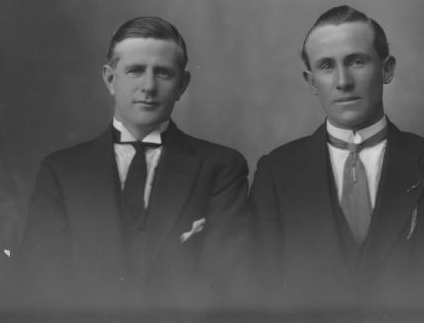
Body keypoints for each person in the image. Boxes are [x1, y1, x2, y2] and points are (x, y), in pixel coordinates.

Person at [249, 5, 424, 321]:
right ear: (311, 82)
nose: (343, 81)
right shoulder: (276, 172)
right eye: (327, 66)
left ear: (387, 69)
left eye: (356, 61)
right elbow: (255, 298)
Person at [16, 17, 249, 321]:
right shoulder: (62, 171)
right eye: (136, 70)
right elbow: (41, 281)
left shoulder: (220, 167)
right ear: (110, 79)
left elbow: (228, 284)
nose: (148, 86)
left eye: (163, 73)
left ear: (183, 84)